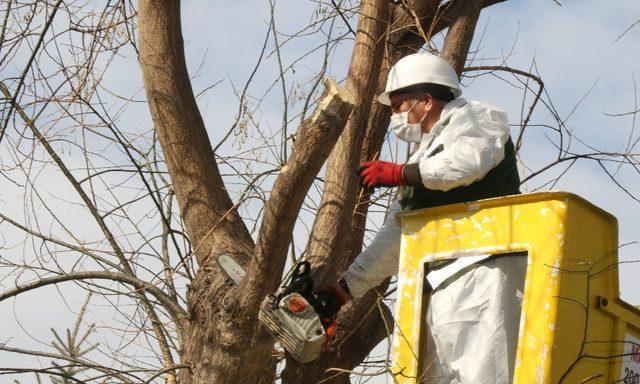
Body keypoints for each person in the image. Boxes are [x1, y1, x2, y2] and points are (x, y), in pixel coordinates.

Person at [318, 52, 526, 384]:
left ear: (426, 101)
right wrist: (341, 292)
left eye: (399, 106)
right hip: (438, 285)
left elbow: (466, 164)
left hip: (486, 274)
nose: (395, 116)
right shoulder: (422, 157)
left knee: (484, 375)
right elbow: (397, 235)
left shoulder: (477, 118)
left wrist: (403, 173)